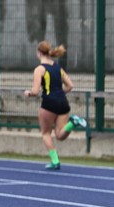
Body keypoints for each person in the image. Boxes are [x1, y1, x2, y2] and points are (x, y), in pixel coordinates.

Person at [23, 40, 87, 170]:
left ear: (39, 53)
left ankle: (55, 161)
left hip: (49, 103)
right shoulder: (58, 68)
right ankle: (73, 123)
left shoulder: (39, 69)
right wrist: (58, 92)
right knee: (59, 135)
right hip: (63, 102)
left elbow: (35, 91)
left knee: (46, 133)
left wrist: (28, 93)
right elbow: (70, 85)